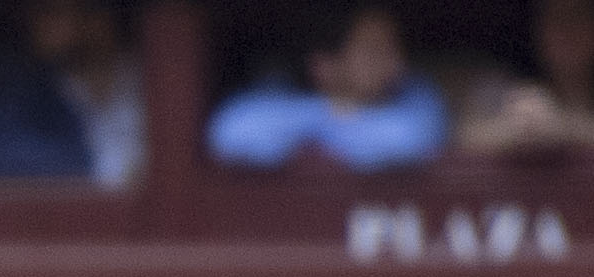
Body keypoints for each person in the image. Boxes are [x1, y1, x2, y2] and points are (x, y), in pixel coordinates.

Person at [207, 6, 447, 171]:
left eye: (395, 51)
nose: (395, 65)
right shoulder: (281, 92)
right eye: (375, 51)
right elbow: (233, 133)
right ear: (324, 65)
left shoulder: (415, 93)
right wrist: (329, 113)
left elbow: (406, 139)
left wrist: (338, 121)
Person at [0, 0, 146, 186]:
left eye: (52, 11)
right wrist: (125, 178)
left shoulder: (156, 76)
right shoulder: (21, 97)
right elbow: (12, 165)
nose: (38, 22)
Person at [457, 0, 594, 160]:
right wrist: (513, 129)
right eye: (557, 18)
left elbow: (568, 128)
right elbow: (462, 136)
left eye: (578, 17)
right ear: (539, 29)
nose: (568, 30)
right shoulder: (504, 86)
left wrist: (564, 126)